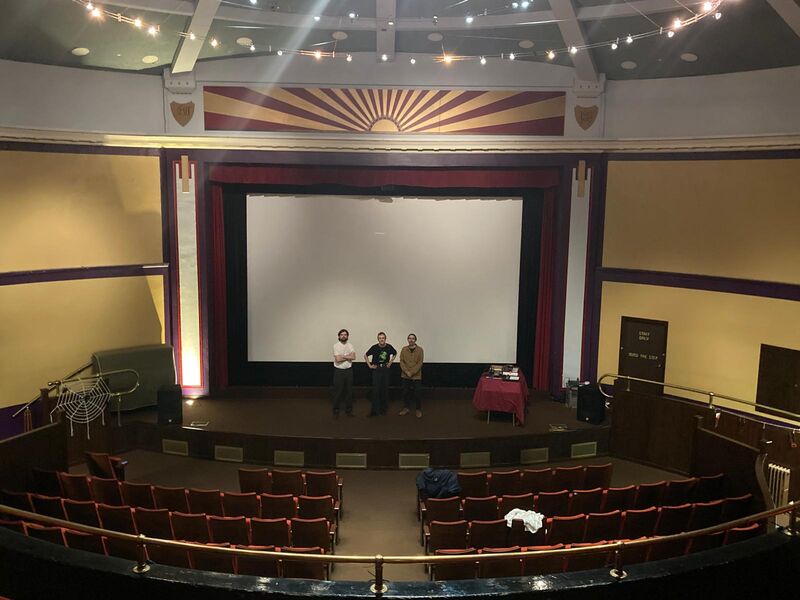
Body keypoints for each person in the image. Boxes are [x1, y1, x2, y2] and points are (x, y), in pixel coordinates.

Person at [365, 332, 396, 416]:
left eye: (383, 338)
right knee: (376, 390)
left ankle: (383, 409)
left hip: (385, 369)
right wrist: (370, 365)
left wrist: (390, 362)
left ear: (385, 339)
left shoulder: (389, 347)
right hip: (377, 369)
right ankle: (374, 410)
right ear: (378, 339)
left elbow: (395, 353)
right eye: (380, 338)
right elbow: (366, 355)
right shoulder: (374, 347)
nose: (381, 339)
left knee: (384, 389)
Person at [332, 328, 356, 418]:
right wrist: (348, 356)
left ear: (347, 336)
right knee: (338, 392)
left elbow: (354, 357)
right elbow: (338, 359)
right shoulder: (336, 346)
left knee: (349, 392)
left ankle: (348, 411)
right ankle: (336, 410)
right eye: (342, 334)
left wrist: (343, 356)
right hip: (339, 371)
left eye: (345, 334)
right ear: (339, 336)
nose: (343, 336)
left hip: (349, 371)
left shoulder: (350, 345)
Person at [398, 333, 424, 417]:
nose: (411, 340)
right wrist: (406, 371)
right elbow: (401, 361)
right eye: (409, 338)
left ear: (415, 340)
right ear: (407, 340)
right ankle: (406, 408)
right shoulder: (404, 349)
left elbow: (420, 363)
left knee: (417, 393)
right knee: (405, 392)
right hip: (405, 375)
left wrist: (412, 372)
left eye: (413, 338)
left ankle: (418, 409)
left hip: (416, 376)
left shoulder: (420, 350)